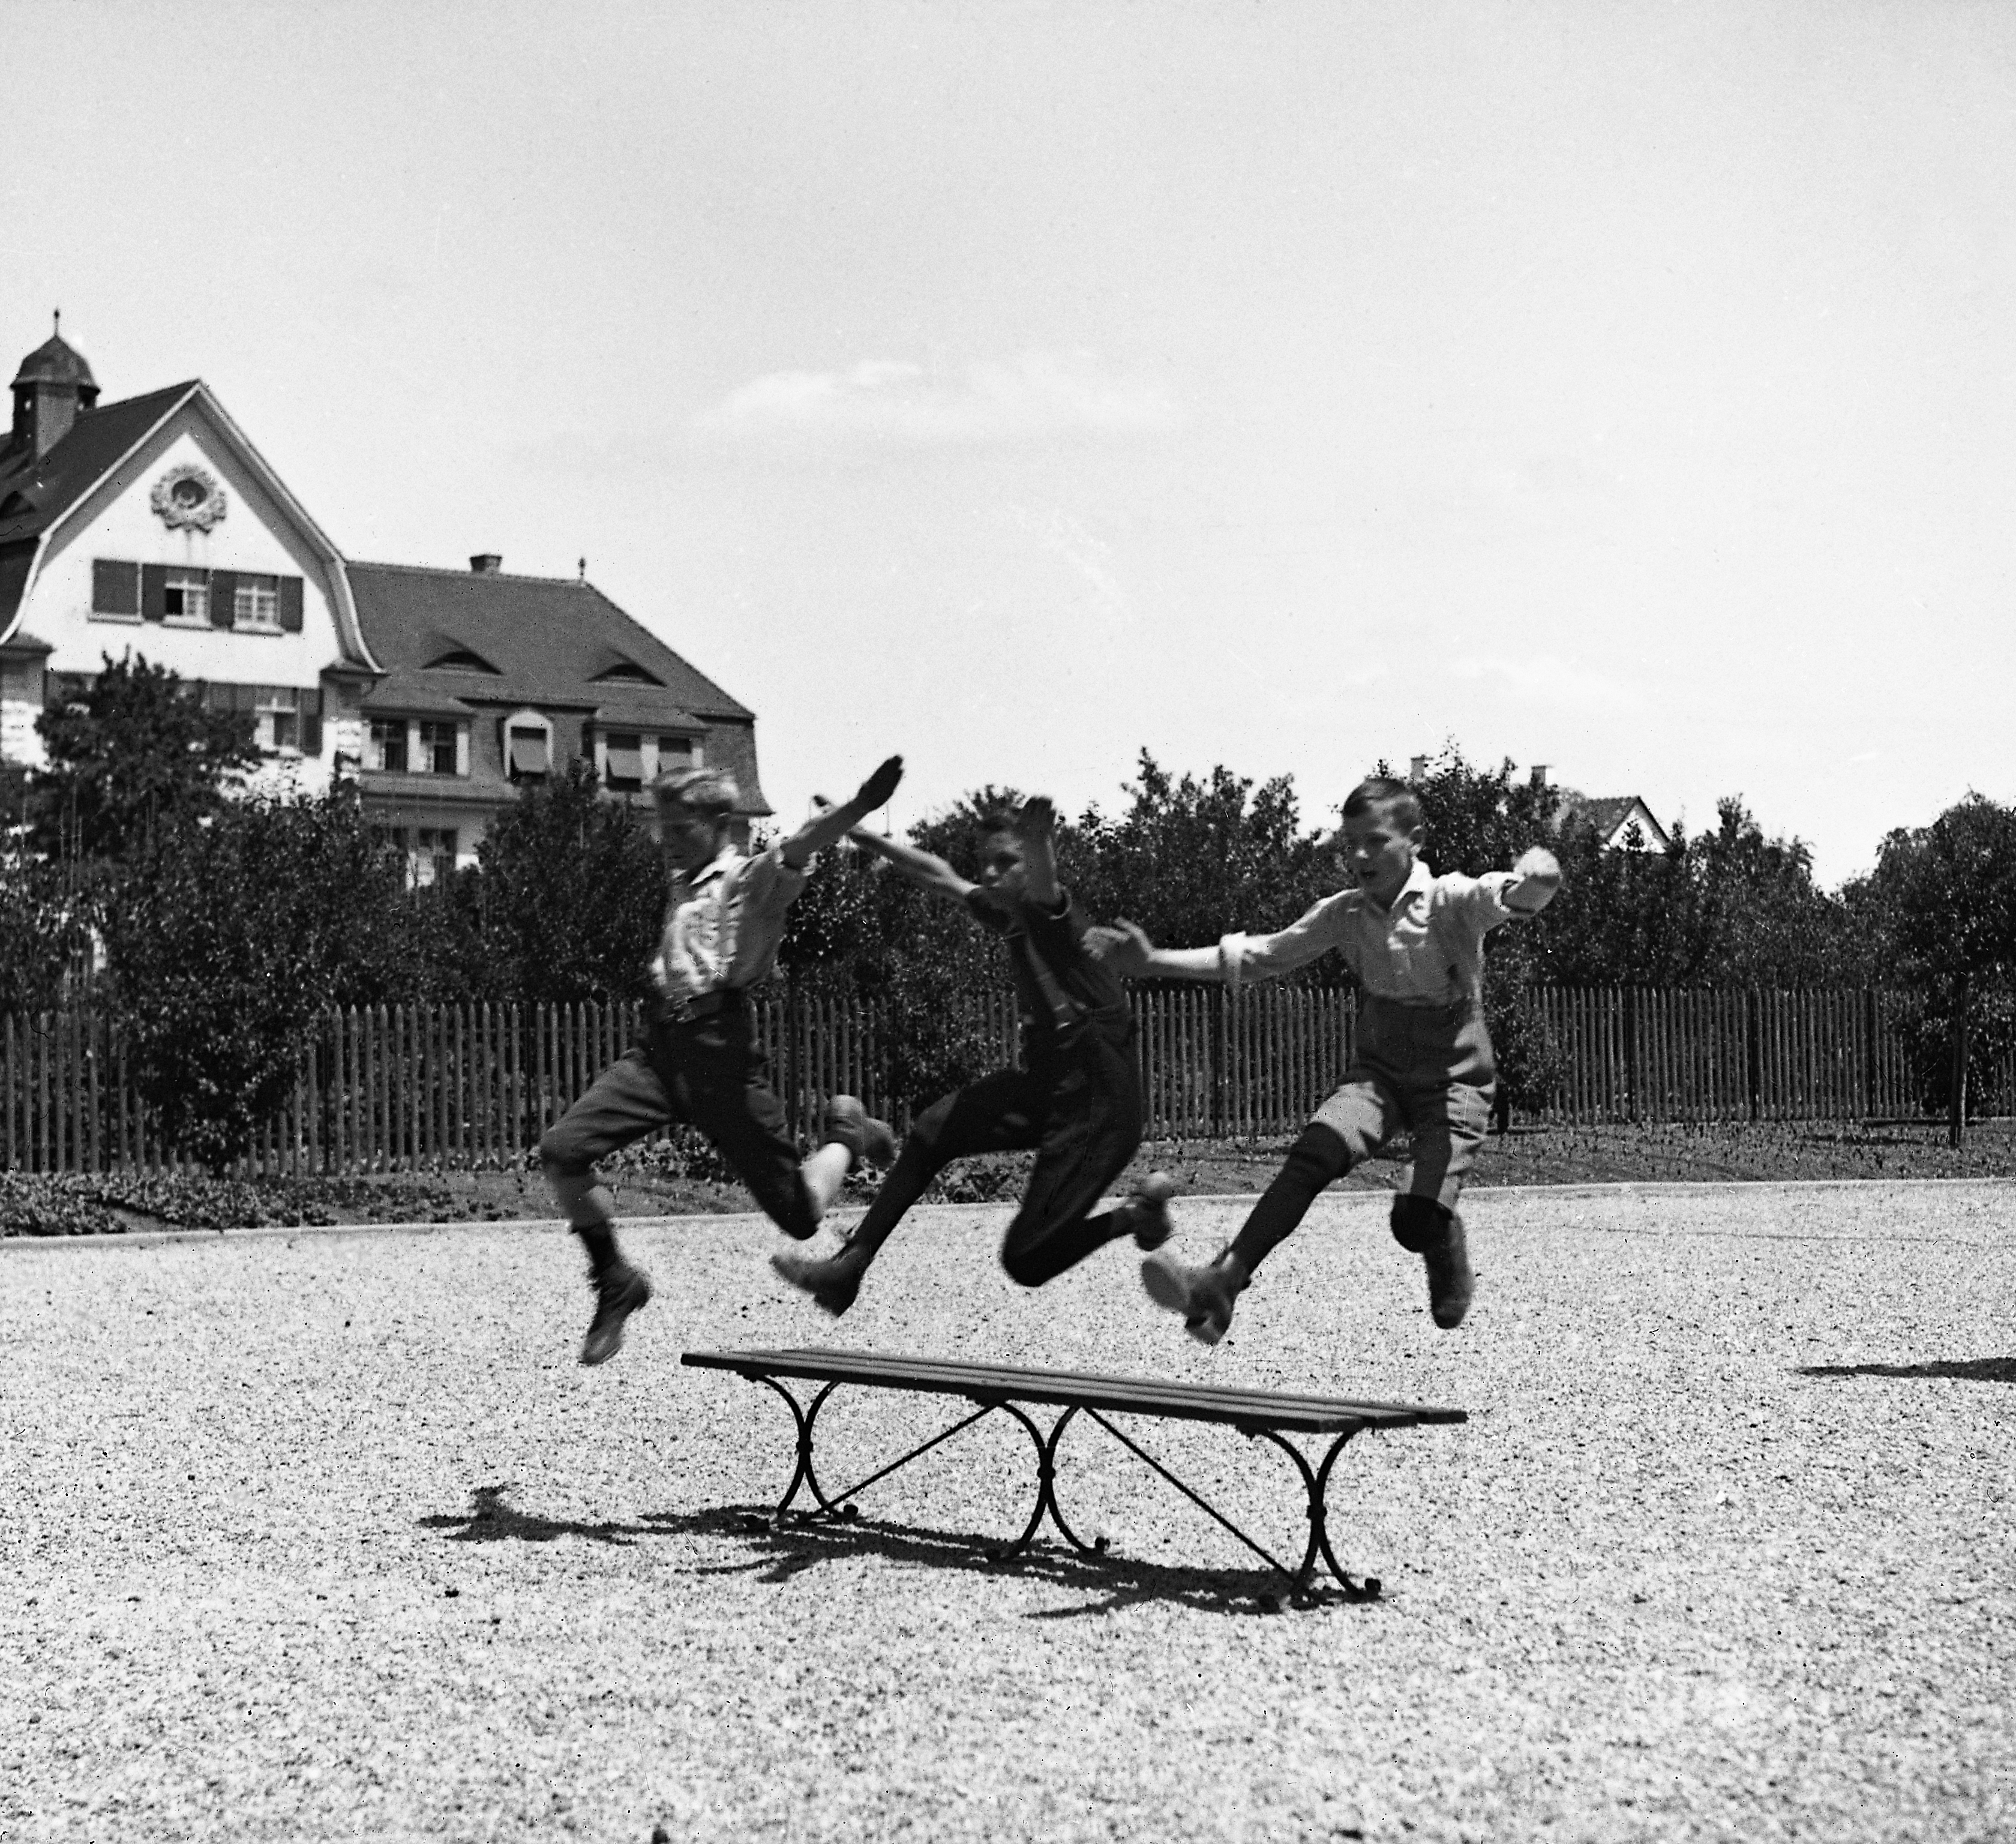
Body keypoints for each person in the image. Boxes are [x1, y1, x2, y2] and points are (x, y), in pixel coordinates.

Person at [1099, 776, 1561, 1345]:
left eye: (1375, 841)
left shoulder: (1449, 901)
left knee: (1412, 1225)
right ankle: (1222, 1281)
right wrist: (1151, 960)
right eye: (1349, 843)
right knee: (1314, 1152)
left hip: (1453, 1080)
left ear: (1414, 840)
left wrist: (1539, 879)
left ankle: (1441, 1237)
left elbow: (1509, 896)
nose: (1359, 856)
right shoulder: (1344, 914)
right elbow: (1263, 953)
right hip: (1382, 1076)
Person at [540, 755, 905, 1365]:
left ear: (720, 823)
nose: (668, 840)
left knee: (802, 1217)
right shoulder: (683, 880)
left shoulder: (749, 879)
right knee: (562, 1150)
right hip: (658, 1052)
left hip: (722, 1058)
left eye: (681, 827)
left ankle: (845, 1133)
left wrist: (859, 808)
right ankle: (616, 1279)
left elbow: (799, 844)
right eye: (663, 825)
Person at [770, 795, 1174, 1317]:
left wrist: (1037, 840)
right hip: (1051, 1084)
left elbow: (1046, 884)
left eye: (1005, 861)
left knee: (1026, 1260)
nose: (988, 872)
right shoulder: (1004, 911)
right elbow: (939, 874)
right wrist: (864, 834)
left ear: (1031, 862)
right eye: (985, 860)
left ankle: (1136, 1215)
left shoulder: (1051, 913)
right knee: (935, 1129)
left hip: (1101, 1106)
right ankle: (851, 1265)